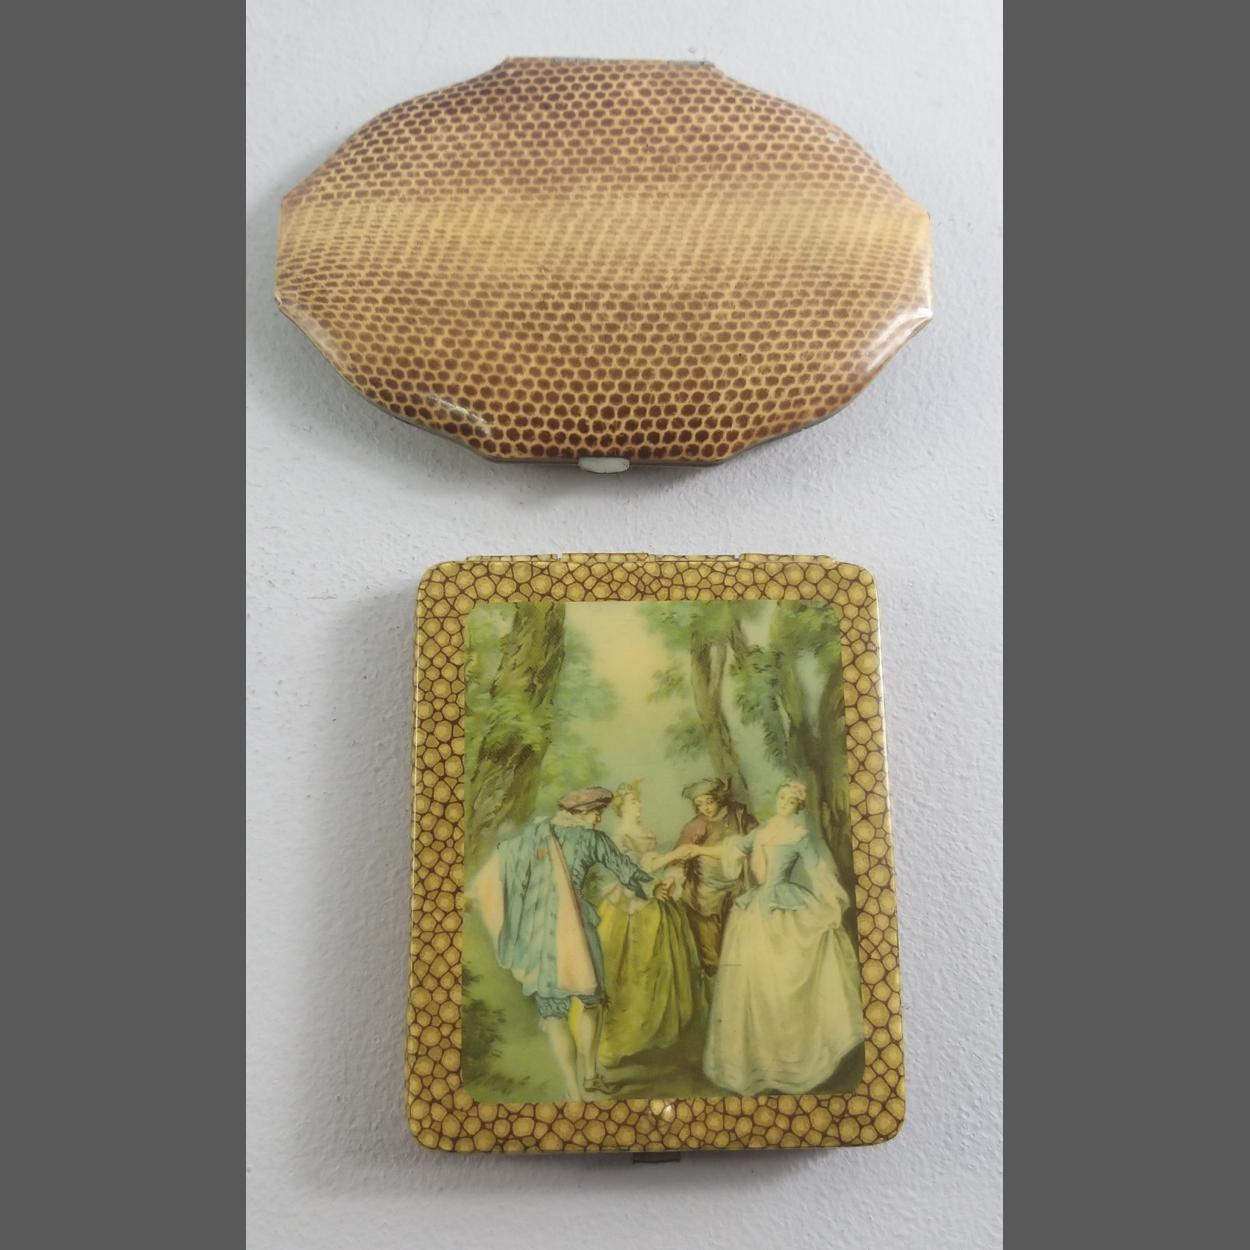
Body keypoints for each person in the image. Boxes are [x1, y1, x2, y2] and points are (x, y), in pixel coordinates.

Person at [468, 786, 673, 1101]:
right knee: (591, 1002)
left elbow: (499, 864)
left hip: (540, 935)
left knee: (555, 1014)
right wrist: (654, 887)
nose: (599, 818)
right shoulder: (593, 839)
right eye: (596, 812)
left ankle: (575, 1090)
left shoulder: (534, 836)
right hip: (577, 931)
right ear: (579, 813)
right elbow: (624, 868)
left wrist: (473, 894)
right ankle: (588, 1077)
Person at [689, 780, 863, 1096]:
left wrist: (831, 903)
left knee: (784, 978)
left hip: (785, 907)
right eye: (781, 797)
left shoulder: (799, 836)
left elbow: (818, 871)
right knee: (755, 980)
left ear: (798, 806)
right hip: (756, 908)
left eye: (790, 800)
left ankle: (792, 1058)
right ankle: (759, 1061)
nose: (783, 803)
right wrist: (698, 849)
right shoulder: (762, 832)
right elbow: (732, 850)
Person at [595, 781, 704, 1068]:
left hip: (655, 901)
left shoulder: (643, 831)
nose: (639, 806)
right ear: (621, 807)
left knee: (661, 969)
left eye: (639, 801)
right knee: (630, 971)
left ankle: (656, 1034)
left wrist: (667, 880)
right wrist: (673, 857)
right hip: (629, 906)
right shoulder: (620, 836)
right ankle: (618, 1042)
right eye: (633, 802)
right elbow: (631, 872)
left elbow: (652, 865)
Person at [673, 778, 757, 977]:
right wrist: (671, 878)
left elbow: (756, 838)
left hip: (737, 889)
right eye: (699, 804)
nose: (705, 808)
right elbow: (679, 856)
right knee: (711, 949)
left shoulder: (738, 815)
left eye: (709, 802)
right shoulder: (696, 825)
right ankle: (713, 980)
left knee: (737, 943)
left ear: (719, 798)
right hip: (704, 894)